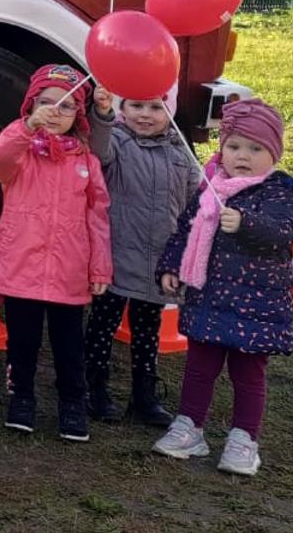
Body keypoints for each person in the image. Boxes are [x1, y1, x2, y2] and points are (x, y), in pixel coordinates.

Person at [152, 99, 293, 478]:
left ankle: (244, 439)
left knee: (248, 375)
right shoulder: (212, 188)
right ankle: (189, 426)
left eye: (255, 149)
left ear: (274, 153)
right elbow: (186, 229)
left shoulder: (282, 193)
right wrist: (171, 265)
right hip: (209, 298)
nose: (243, 156)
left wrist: (246, 223)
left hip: (256, 305)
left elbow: (280, 235)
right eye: (235, 146)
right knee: (199, 368)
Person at [0, 64, 111, 443]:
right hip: (22, 267)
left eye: (67, 106)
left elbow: (98, 217)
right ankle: (21, 396)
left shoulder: (86, 162)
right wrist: (27, 127)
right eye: (46, 103)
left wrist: (100, 267)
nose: (55, 112)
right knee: (22, 341)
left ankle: (73, 402)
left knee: (69, 344)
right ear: (31, 106)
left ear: (79, 117)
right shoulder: (21, 154)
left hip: (68, 271)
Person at [83, 87, 201, 427]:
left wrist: (185, 254)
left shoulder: (180, 152)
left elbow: (194, 202)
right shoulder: (118, 141)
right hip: (118, 256)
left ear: (170, 112)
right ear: (124, 107)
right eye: (136, 105)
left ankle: (144, 395)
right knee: (102, 326)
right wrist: (103, 115)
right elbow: (97, 152)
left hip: (159, 263)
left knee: (147, 331)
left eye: (156, 107)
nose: (145, 114)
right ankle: (94, 388)